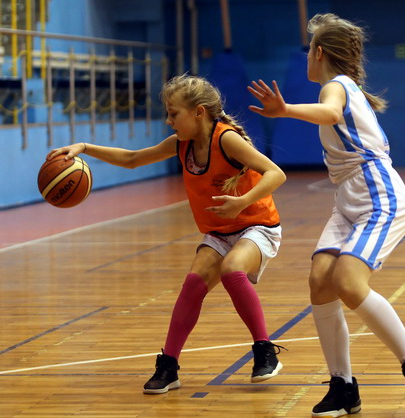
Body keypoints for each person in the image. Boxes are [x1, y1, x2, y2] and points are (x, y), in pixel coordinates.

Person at [248, 13, 405, 418]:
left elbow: (332, 113)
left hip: (378, 196)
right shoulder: (345, 86)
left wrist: (284, 110)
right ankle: (343, 387)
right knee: (320, 280)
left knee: (349, 282)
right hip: (349, 198)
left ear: (319, 53)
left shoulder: (335, 86)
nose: (306, 57)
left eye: (308, 50)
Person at [46, 74, 287, 393]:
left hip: (258, 225)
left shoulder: (226, 140)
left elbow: (276, 173)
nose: (168, 121)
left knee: (232, 269)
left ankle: (265, 350)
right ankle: (169, 366)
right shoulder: (180, 145)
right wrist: (85, 147)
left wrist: (242, 201)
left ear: (198, 112)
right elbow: (133, 159)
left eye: (174, 114)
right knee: (193, 284)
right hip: (219, 231)